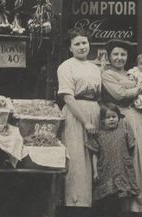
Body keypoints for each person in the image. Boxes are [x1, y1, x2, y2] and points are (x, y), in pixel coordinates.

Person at [101, 39, 142, 213]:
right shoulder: (107, 74)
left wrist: (139, 86)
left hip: (140, 119)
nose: (119, 58)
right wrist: (141, 88)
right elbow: (119, 95)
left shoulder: (131, 73)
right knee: (126, 162)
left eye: (123, 54)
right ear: (109, 57)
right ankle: (126, 208)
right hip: (123, 120)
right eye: (116, 54)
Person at [57, 27, 101, 217]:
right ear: (70, 48)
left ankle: (91, 205)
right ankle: (75, 206)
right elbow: (67, 97)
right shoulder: (66, 66)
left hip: (94, 111)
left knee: (94, 159)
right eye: (77, 44)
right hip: (76, 115)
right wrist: (86, 122)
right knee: (76, 160)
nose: (82, 47)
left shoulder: (94, 67)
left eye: (84, 42)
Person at [86, 104, 140, 217]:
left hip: (121, 168)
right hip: (105, 169)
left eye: (114, 116)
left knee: (120, 197)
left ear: (119, 118)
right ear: (102, 120)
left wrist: (127, 162)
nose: (111, 119)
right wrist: (95, 171)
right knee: (107, 198)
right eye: (108, 117)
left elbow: (131, 147)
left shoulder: (123, 131)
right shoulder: (98, 134)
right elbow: (94, 154)